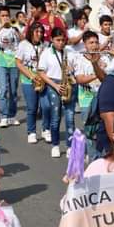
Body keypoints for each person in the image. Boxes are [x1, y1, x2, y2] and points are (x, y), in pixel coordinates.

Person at [37, 27, 75, 158]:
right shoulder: (47, 53)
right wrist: (55, 86)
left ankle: (70, 147)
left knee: (70, 118)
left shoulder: (69, 51)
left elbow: (76, 67)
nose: (61, 43)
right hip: (53, 84)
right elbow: (41, 72)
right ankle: (55, 145)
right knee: (56, 117)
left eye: (63, 40)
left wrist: (72, 69)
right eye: (58, 40)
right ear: (52, 40)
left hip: (68, 84)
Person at [0, 6, 21, 129]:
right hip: (0, 60)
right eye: (2, 15)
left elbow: (23, 41)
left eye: (7, 15)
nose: (5, 18)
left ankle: (12, 115)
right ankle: (4, 116)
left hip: (13, 60)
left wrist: (16, 29)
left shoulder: (14, 27)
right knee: (3, 89)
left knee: (13, 90)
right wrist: (1, 26)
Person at [15, 22, 45, 144]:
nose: (39, 34)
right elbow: (18, 63)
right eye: (37, 32)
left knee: (45, 107)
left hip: (43, 80)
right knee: (32, 108)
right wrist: (31, 76)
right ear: (31, 32)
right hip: (28, 80)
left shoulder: (45, 45)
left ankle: (45, 129)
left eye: (41, 32)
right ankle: (31, 132)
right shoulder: (23, 45)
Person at [74, 31, 108, 127]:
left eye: (96, 42)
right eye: (91, 43)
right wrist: (98, 73)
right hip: (86, 99)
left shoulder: (105, 58)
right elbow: (80, 79)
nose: (95, 45)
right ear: (85, 44)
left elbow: (107, 79)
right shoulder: (80, 59)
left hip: (102, 97)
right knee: (89, 129)